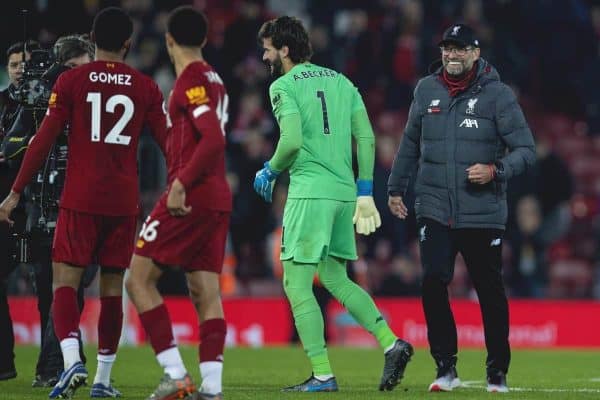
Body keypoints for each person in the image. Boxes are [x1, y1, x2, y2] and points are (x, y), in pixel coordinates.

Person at [0, 7, 167, 399]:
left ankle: (71, 359)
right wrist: (182, 186)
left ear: (94, 39)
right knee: (111, 288)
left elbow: (42, 140)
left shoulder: (71, 80)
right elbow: (168, 143)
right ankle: (103, 380)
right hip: (124, 203)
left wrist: (15, 192)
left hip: (79, 198)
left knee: (64, 282)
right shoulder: (145, 87)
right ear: (128, 42)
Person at [254, 16, 413, 393]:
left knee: (295, 283)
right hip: (344, 193)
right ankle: (392, 343)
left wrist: (270, 170)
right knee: (335, 277)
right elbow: (367, 138)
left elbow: (291, 141)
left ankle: (323, 374)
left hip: (310, 192)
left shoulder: (283, 86)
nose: (264, 56)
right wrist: (364, 192)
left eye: (268, 49)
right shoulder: (343, 82)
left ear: (285, 49)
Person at [387, 23, 536, 393]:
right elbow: (408, 144)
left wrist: (495, 170)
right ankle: (444, 368)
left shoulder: (498, 95)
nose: (451, 55)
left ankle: (496, 371)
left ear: (474, 53)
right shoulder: (425, 90)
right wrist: (394, 189)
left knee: (489, 289)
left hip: (482, 211)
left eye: (459, 49)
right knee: (432, 280)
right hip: (434, 207)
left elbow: (526, 151)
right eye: (446, 49)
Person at [125, 7, 230, 400]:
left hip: (190, 194)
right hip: (217, 196)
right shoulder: (215, 78)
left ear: (170, 41)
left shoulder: (190, 80)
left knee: (137, 279)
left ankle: (175, 373)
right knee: (205, 290)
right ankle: (212, 388)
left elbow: (212, 139)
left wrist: (181, 184)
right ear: (203, 39)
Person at [29, 34, 97, 388]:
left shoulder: (95, 104)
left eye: (81, 69)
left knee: (72, 288)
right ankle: (58, 362)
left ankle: (58, 362)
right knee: (51, 291)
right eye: (70, 70)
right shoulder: (42, 103)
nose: (76, 77)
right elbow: (24, 143)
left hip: (86, 202)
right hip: (44, 202)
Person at [0, 40, 37, 382]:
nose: (20, 69)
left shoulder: (48, 102)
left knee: (51, 286)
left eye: (25, 63)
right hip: (5, 206)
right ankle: (4, 364)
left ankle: (54, 367)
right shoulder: (1, 101)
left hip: (36, 202)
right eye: (14, 64)